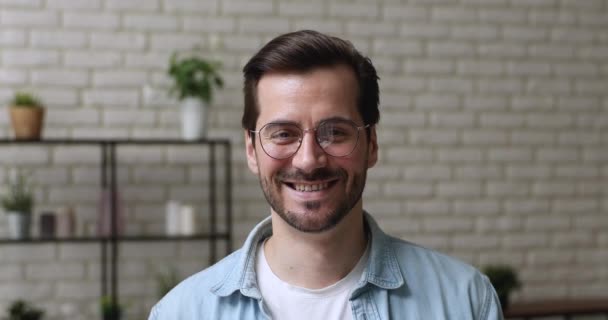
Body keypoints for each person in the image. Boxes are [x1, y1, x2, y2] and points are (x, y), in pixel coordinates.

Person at [148, 30, 503, 320]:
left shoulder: (465, 301)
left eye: (334, 132)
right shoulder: (182, 312)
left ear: (372, 144)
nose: (308, 160)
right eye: (283, 133)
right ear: (251, 150)